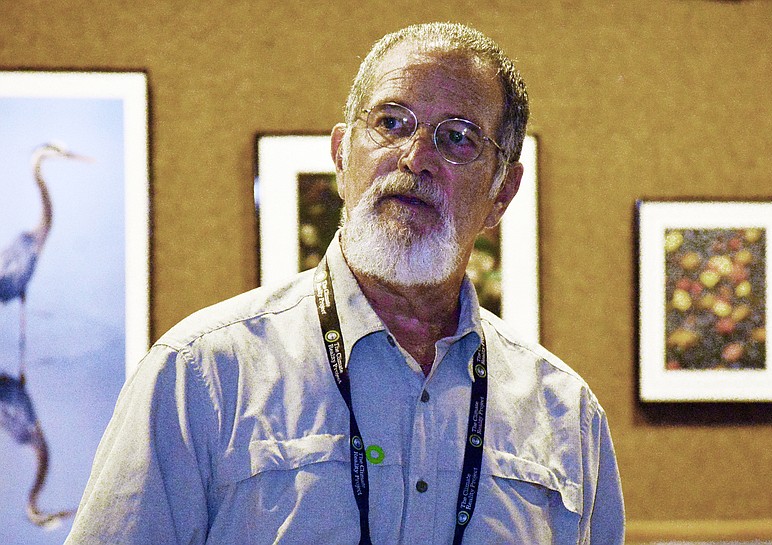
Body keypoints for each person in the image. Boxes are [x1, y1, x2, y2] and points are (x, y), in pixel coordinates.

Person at [65, 22, 624, 545]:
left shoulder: (567, 415)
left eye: (458, 138)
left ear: (501, 192)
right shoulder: (202, 374)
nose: (416, 157)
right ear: (340, 155)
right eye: (391, 123)